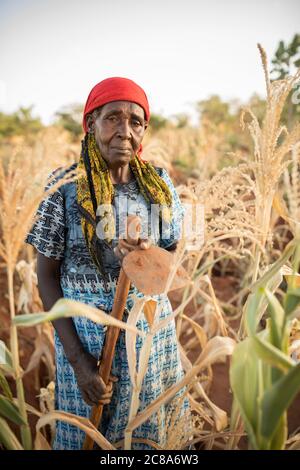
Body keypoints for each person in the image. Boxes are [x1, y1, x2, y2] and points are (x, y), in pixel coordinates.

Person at [25, 77, 192, 450]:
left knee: (147, 436)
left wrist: (143, 257)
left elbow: (174, 259)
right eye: (112, 118)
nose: (125, 131)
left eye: (135, 121)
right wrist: (81, 364)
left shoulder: (159, 186)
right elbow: (46, 277)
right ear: (90, 124)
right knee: (88, 437)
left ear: (144, 129)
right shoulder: (65, 187)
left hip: (148, 336)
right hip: (83, 339)